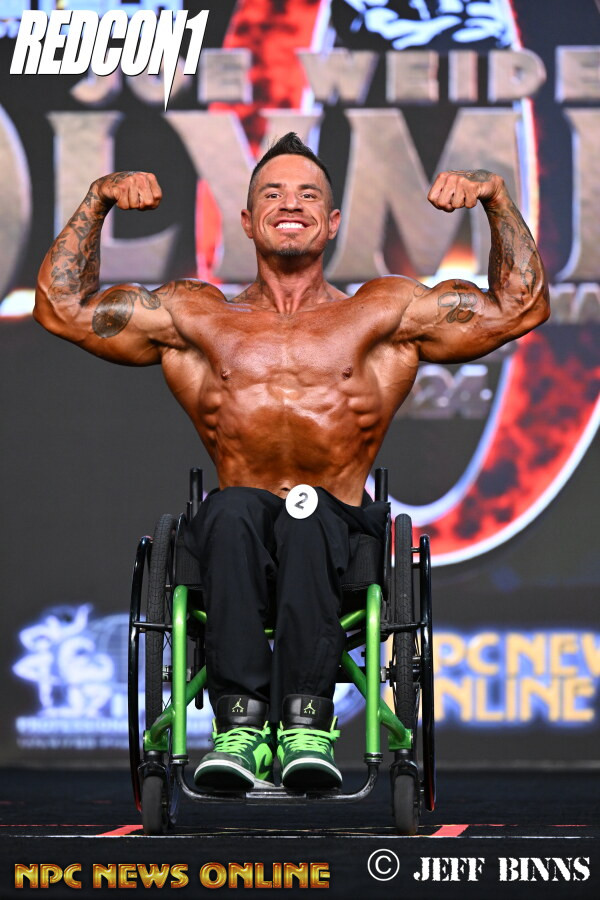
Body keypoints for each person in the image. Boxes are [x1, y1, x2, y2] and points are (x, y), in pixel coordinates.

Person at [34, 133, 549, 792]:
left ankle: (308, 723)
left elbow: (520, 308)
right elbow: (62, 309)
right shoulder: (197, 316)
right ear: (247, 221)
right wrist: (98, 199)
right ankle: (239, 727)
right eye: (272, 193)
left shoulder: (383, 313)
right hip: (233, 540)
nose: (291, 203)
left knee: (306, 513)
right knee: (232, 509)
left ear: (332, 223)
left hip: (340, 541)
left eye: (309, 195)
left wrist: (496, 199)